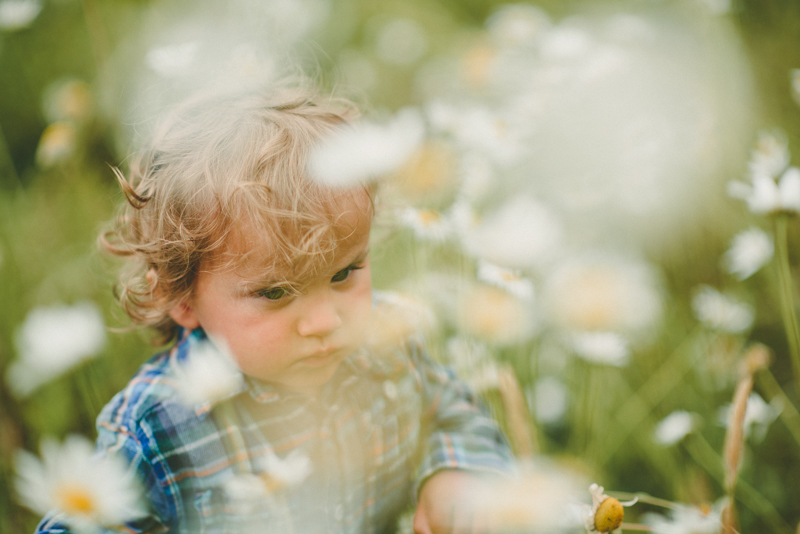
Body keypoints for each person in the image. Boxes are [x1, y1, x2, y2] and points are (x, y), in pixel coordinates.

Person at [34, 80, 515, 534]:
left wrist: (454, 471)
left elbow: (452, 412)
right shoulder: (158, 427)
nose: (325, 322)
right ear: (181, 298)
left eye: (344, 273)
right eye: (276, 292)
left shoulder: (387, 343)